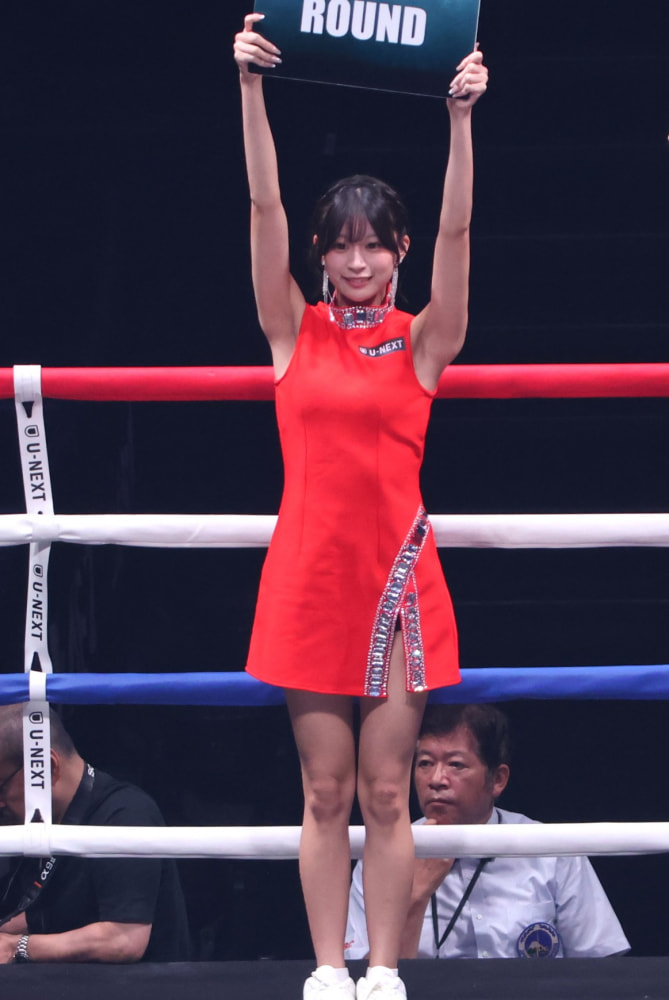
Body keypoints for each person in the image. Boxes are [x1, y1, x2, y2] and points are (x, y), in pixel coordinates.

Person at [234, 13, 487, 999]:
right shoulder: (290, 331)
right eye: (341, 247)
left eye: (374, 246)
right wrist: (250, 88)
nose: (356, 262)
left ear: (399, 251)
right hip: (308, 578)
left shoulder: (425, 340)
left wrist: (460, 120)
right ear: (319, 254)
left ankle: (382, 969)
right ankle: (328, 968)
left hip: (396, 583)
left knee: (386, 791)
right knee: (324, 791)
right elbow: (262, 202)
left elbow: (459, 232)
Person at [346, 704, 630, 960]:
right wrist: (416, 895)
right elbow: (368, 980)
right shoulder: (379, 857)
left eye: (455, 765)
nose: (436, 780)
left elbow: (602, 965)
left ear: (498, 780)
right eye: (425, 764)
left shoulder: (550, 849)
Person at [0, 703, 190, 964]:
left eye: (0, 788)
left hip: (136, 984)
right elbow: (43, 907)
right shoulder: (42, 815)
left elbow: (123, 940)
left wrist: (17, 946)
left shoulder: (126, 816)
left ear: (44, 768)